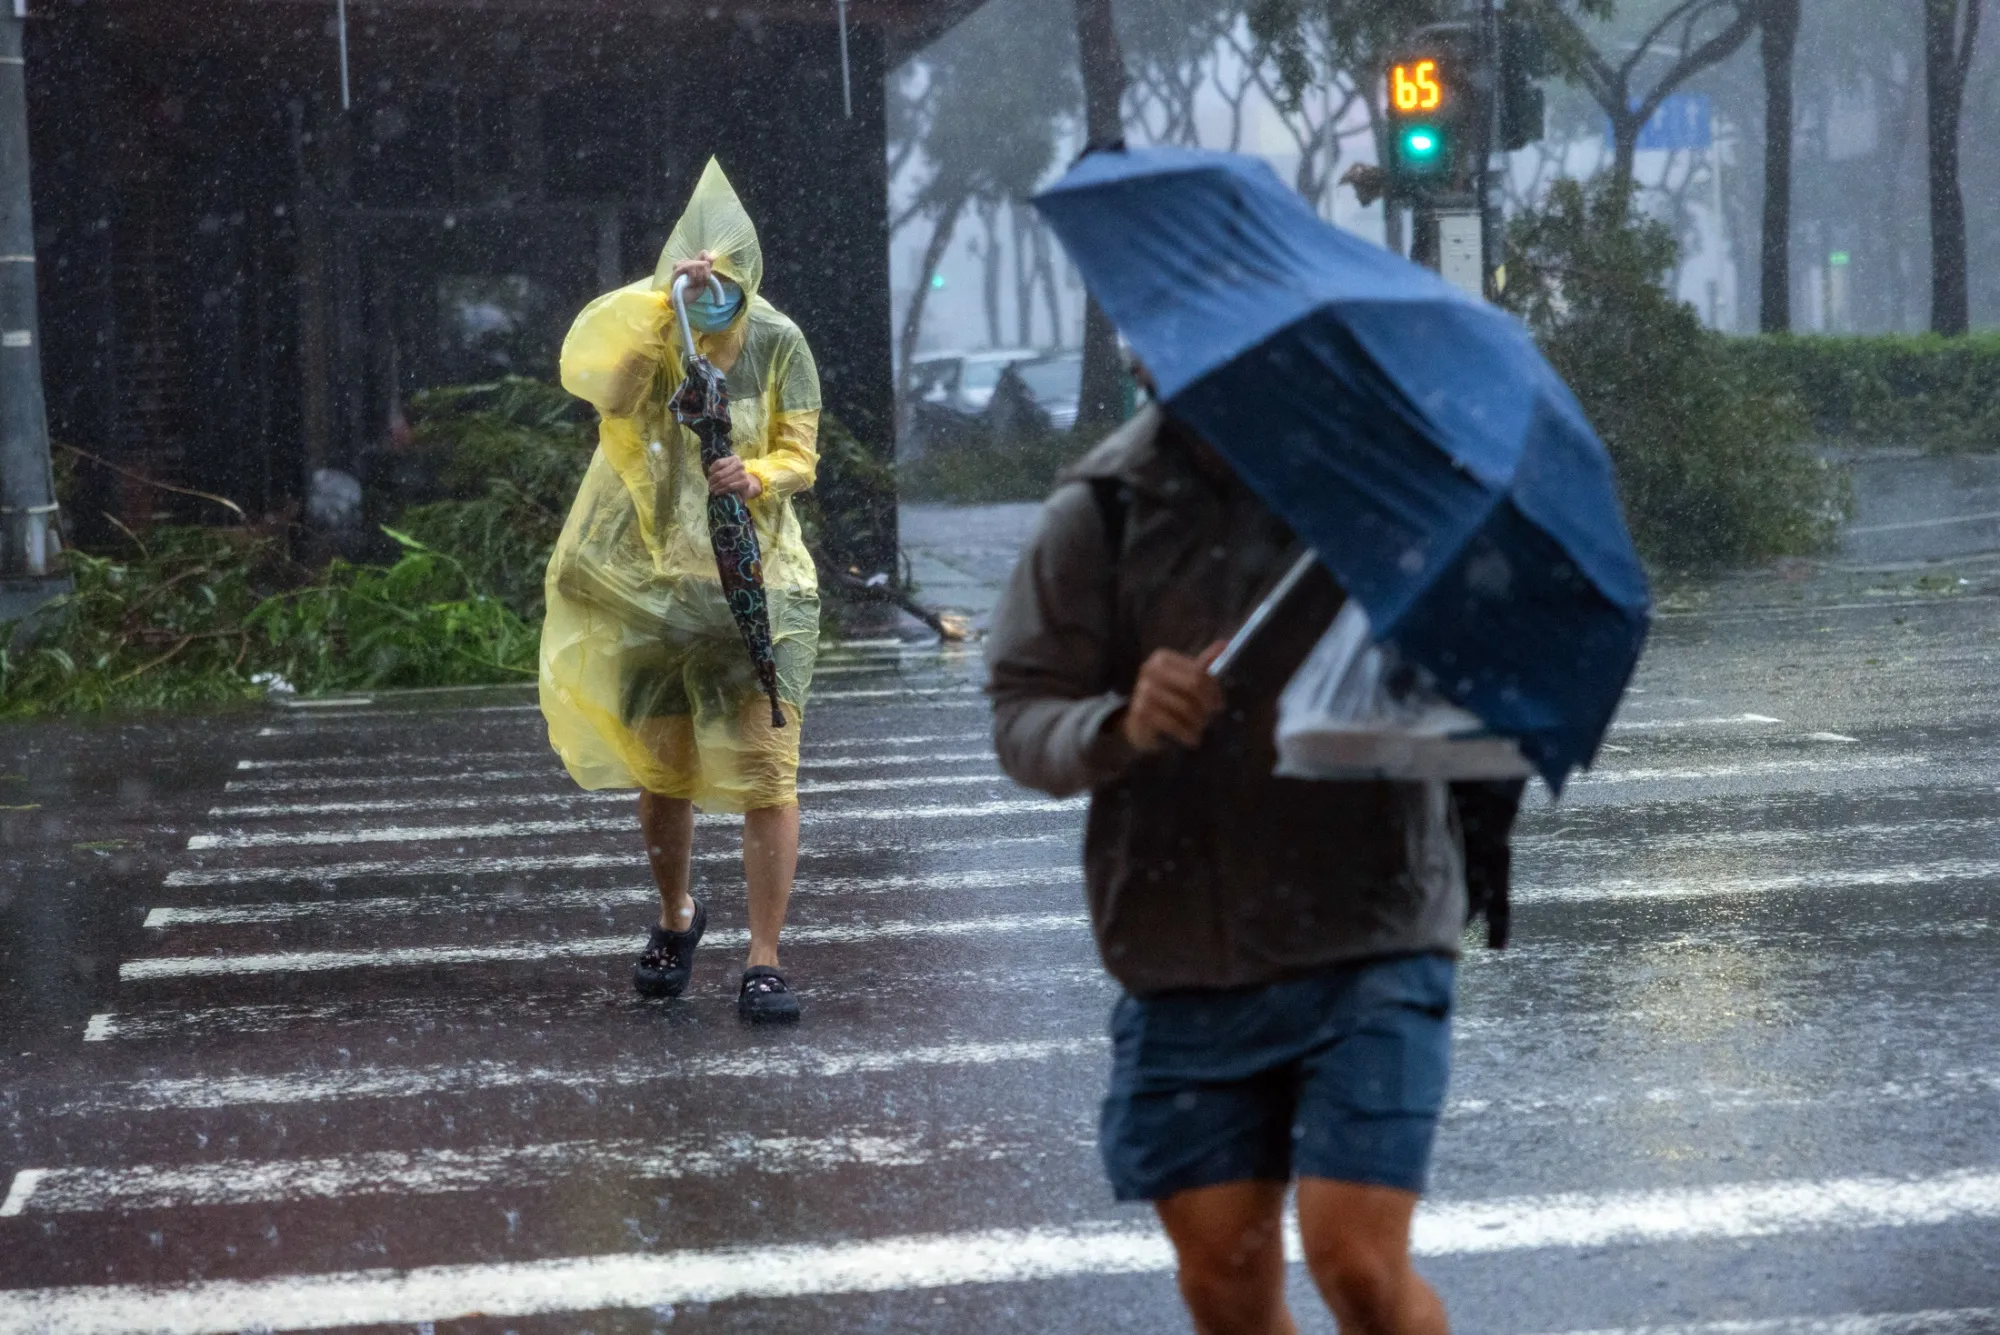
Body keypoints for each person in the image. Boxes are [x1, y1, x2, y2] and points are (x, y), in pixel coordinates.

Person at [987, 396, 1478, 1335]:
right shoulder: (1102, 512)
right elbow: (1022, 715)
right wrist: (1119, 720)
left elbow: (1480, 659)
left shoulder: (1377, 488)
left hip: (1371, 922)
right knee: (1223, 1277)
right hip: (1185, 940)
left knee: (1361, 1262)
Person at [543, 158, 821, 1023]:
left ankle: (765, 957)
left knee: (767, 775)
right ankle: (676, 916)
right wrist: (657, 309)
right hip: (654, 586)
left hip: (761, 586)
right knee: (664, 774)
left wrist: (759, 474)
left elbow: (802, 455)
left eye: (722, 281)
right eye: (696, 280)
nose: (711, 295)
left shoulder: (779, 341)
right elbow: (608, 393)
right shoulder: (657, 338)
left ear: (747, 277)